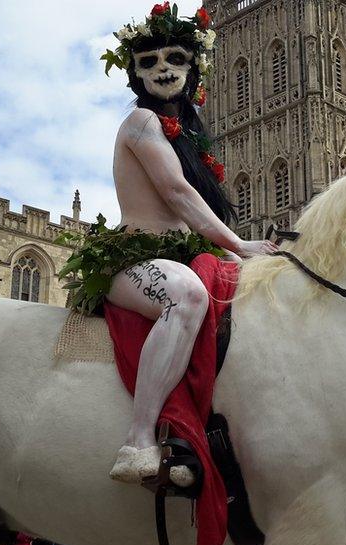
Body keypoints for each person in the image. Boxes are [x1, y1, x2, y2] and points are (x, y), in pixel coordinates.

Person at [66, 3, 277, 485]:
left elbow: (192, 215)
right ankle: (139, 439)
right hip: (133, 258)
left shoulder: (188, 136)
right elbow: (179, 195)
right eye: (150, 61)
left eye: (174, 58)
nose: (163, 68)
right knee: (187, 295)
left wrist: (239, 256)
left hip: (180, 254)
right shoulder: (141, 124)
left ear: (192, 67)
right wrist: (241, 246)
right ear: (137, 76)